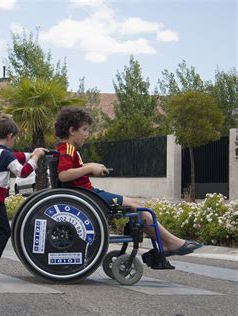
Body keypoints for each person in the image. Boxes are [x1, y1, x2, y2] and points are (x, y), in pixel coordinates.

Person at [54, 106, 202, 257]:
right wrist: (89, 167)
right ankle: (171, 243)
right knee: (138, 208)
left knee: (138, 205)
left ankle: (165, 242)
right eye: (84, 129)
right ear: (72, 131)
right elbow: (64, 175)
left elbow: (72, 169)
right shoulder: (68, 149)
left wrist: (91, 166)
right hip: (89, 196)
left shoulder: (66, 149)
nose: (87, 134)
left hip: (87, 194)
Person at [0, 114, 47, 281]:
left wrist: (31, 153)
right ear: (10, 135)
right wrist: (36, 157)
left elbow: (15, 156)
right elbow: (22, 172)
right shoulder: (5, 155)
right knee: (3, 231)